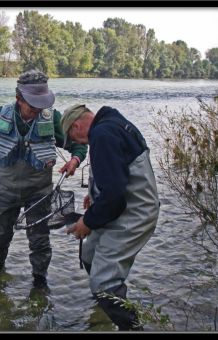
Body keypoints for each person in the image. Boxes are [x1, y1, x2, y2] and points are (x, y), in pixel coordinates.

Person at [0, 70, 88, 289]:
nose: (37, 111)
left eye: (41, 105)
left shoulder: (51, 118)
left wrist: (75, 159)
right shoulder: (0, 115)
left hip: (39, 193)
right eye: (32, 106)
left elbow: (79, 143)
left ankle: (39, 282)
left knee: (40, 240)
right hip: (5, 191)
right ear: (19, 98)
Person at [61, 104, 160, 331]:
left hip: (135, 214)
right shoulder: (110, 124)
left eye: (74, 138)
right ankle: (105, 308)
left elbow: (115, 196)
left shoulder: (102, 134)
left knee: (104, 283)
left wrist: (86, 222)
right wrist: (95, 194)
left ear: (76, 126)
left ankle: (132, 327)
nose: (79, 144)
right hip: (121, 207)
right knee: (89, 253)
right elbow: (117, 173)